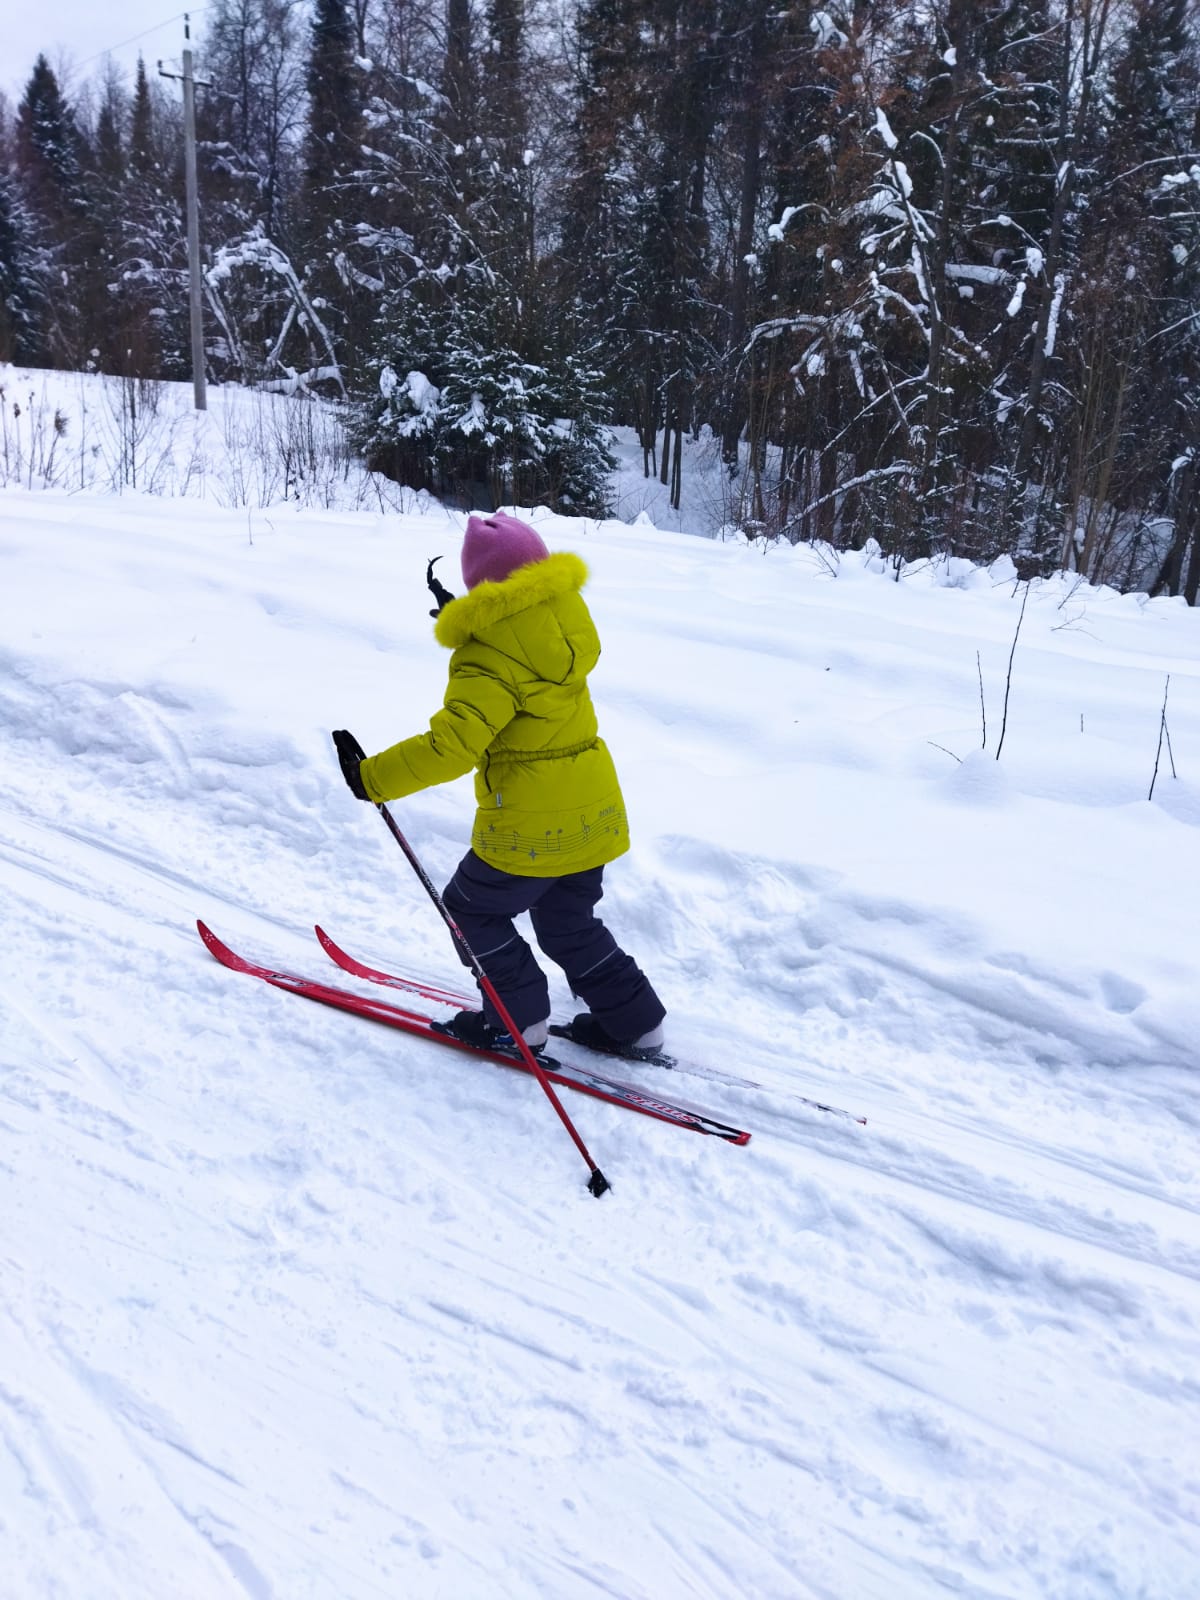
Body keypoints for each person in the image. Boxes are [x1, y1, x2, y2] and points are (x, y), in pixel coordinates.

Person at [332, 511, 666, 1061]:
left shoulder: (486, 656)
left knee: (470, 908)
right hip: (595, 812)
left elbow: (452, 747)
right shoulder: (565, 620)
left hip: (530, 823)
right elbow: (519, 641)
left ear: (478, 589)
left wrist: (371, 778)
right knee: (567, 921)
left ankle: (518, 1022)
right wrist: (481, 622)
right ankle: (636, 1022)